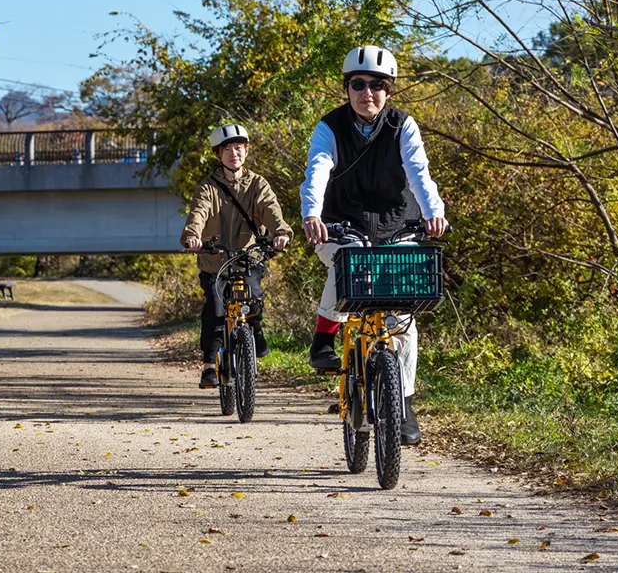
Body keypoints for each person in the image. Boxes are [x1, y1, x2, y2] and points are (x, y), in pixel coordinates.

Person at [300, 45, 447, 446]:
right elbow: (318, 169)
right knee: (346, 264)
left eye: (378, 85)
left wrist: (433, 212)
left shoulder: (403, 125)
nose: (368, 92)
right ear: (347, 87)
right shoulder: (329, 127)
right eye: (359, 84)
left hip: (396, 225)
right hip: (339, 224)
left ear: (389, 90)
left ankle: (405, 401)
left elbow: (418, 171)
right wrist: (312, 214)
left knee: (403, 318)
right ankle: (322, 340)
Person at [181, 123, 292, 389]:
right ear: (218, 154)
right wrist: (192, 236)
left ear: (246, 152)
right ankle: (209, 365)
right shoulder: (208, 186)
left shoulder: (257, 184)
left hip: (248, 258)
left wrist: (281, 232)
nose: (234, 154)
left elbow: (270, 209)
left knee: (253, 297)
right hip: (215, 260)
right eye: (228, 149)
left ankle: (256, 330)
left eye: (239, 148)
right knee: (215, 309)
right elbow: (199, 212)